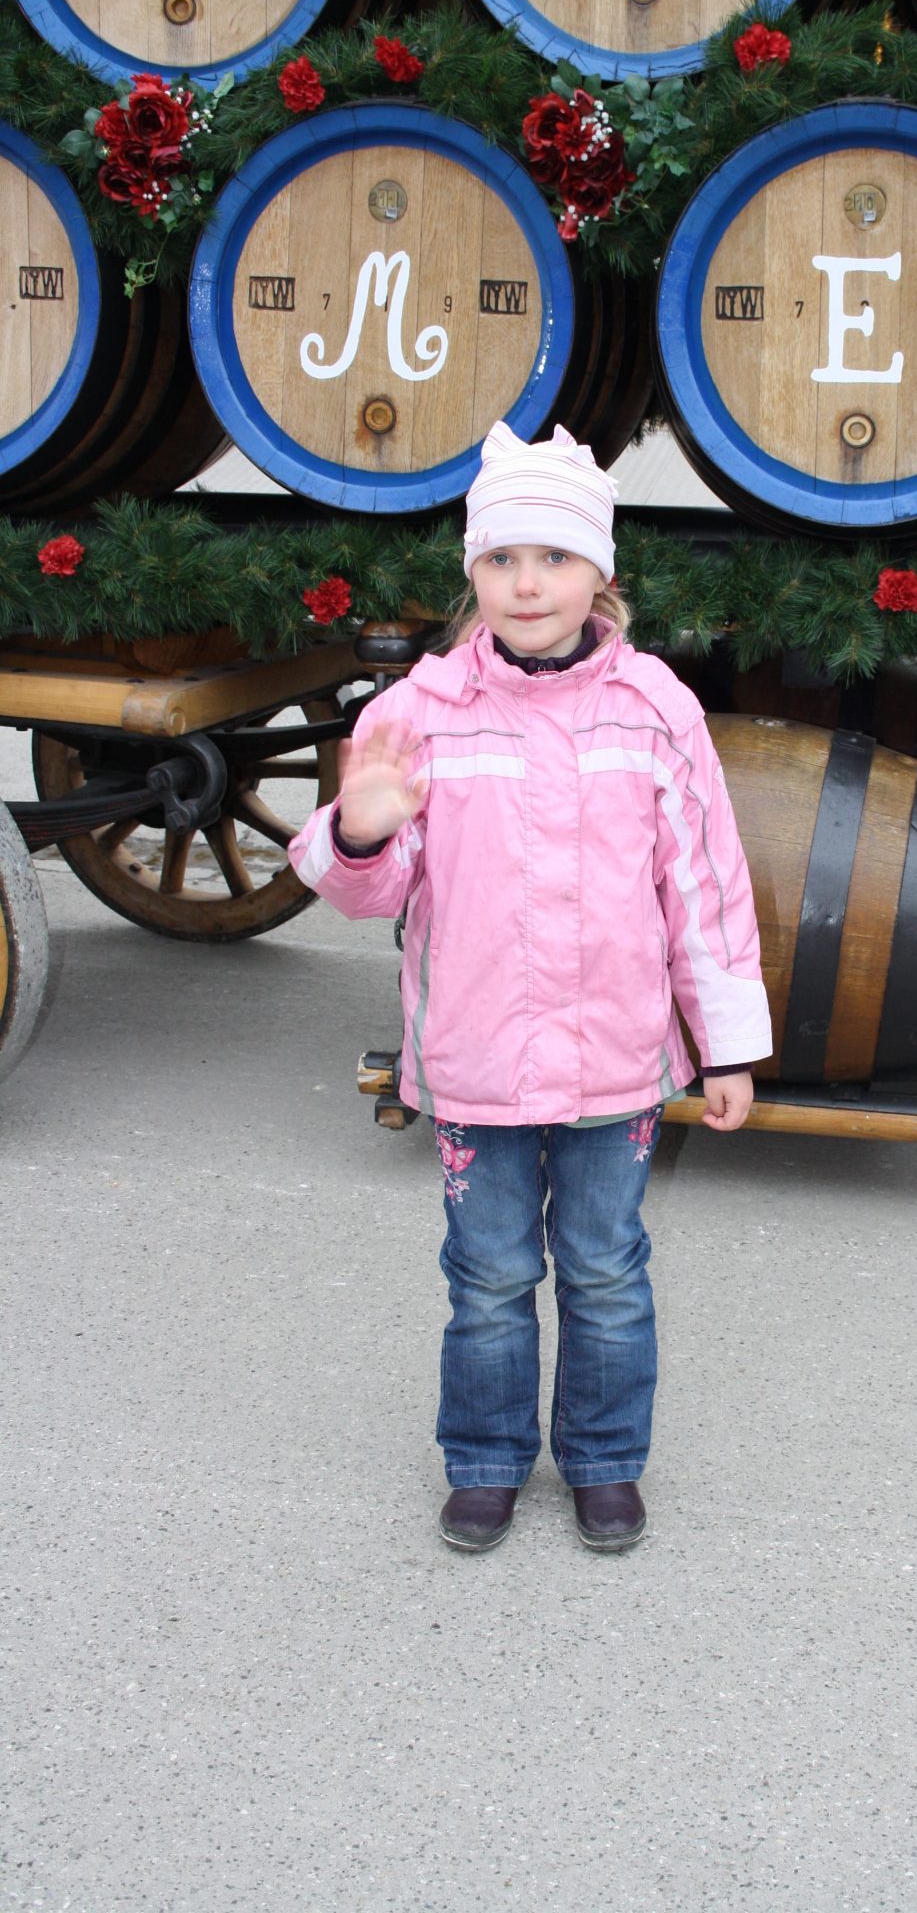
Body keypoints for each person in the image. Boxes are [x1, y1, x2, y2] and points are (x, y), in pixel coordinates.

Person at [288, 421, 772, 1555]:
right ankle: (485, 1459)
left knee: (605, 1269)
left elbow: (704, 885)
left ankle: (604, 1460)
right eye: (501, 559)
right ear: (474, 573)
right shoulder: (420, 711)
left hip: (617, 1062)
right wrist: (362, 830)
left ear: (599, 570)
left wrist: (728, 1044)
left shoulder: (655, 708)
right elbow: (364, 888)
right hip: (477, 1059)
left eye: (553, 557)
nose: (526, 583)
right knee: (490, 1276)